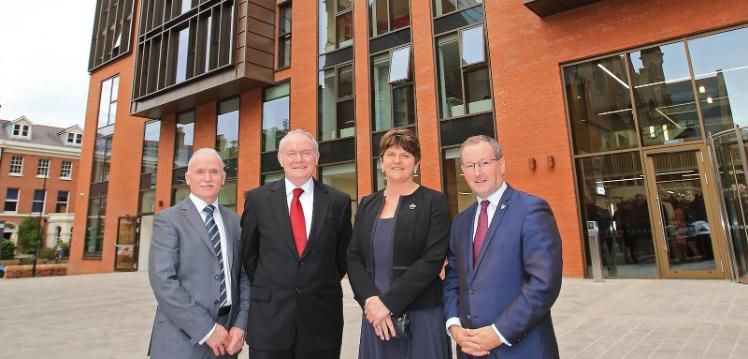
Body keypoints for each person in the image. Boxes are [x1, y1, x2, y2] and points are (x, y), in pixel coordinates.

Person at [442, 135, 563, 358]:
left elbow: (544, 283)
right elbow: (453, 278)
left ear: (502, 164)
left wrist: (499, 332)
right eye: (470, 166)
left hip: (522, 349)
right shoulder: (461, 222)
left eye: (485, 163)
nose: (477, 173)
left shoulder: (531, 210)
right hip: (470, 350)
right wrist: (454, 325)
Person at [241, 129, 352, 359]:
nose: (299, 159)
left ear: (317, 158)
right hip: (270, 322)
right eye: (291, 153)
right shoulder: (257, 200)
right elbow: (249, 256)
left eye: (306, 153)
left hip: (321, 323)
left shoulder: (338, 202)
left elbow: (342, 258)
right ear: (281, 159)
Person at [347, 128, 452, 359]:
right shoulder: (368, 203)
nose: (397, 161)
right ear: (381, 162)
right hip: (375, 317)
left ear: (416, 163)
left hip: (421, 315)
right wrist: (372, 302)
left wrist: (388, 303)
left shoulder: (434, 202)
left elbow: (432, 260)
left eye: (405, 155)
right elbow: (353, 257)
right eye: (391, 154)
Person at [148, 148, 250, 358]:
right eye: (200, 172)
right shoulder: (168, 220)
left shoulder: (236, 222)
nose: (207, 178)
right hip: (181, 338)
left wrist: (241, 325)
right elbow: (163, 281)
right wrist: (207, 329)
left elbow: (245, 276)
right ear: (188, 178)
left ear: (223, 178)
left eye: (214, 172)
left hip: (228, 339)